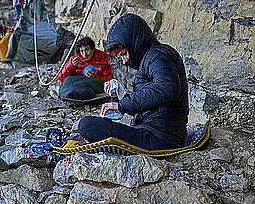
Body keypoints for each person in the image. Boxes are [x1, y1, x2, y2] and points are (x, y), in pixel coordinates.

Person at [78, 14, 189, 150]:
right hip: (155, 133)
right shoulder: (150, 58)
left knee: (86, 125)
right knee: (90, 125)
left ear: (136, 42)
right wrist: (116, 96)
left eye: (124, 53)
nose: (124, 61)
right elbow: (148, 104)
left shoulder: (158, 56)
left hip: (161, 139)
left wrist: (121, 106)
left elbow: (167, 88)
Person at [58, 36, 113, 101]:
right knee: (68, 80)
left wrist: (96, 75)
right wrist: (71, 66)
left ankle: (70, 94)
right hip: (78, 85)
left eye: (87, 50)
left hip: (95, 85)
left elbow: (108, 81)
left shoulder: (102, 60)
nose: (84, 54)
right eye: (82, 51)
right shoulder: (75, 60)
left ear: (93, 49)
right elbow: (61, 78)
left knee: (69, 80)